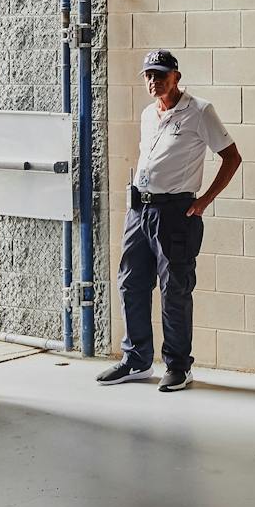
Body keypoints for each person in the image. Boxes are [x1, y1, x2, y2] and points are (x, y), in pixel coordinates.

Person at [96, 49, 241, 392]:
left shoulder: (200, 111)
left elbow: (232, 157)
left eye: (160, 74)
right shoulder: (149, 114)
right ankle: (136, 360)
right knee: (131, 283)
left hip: (176, 214)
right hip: (139, 212)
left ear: (176, 76)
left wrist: (204, 200)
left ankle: (178, 366)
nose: (153, 80)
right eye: (148, 75)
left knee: (174, 290)